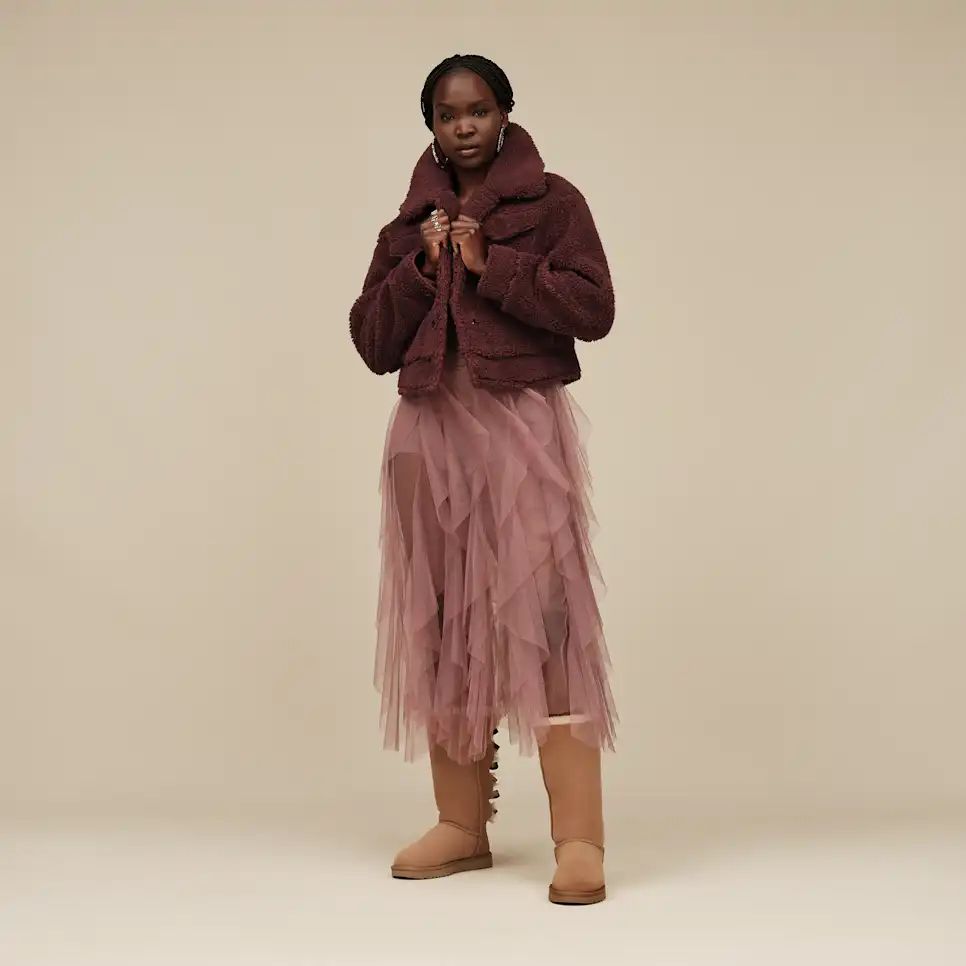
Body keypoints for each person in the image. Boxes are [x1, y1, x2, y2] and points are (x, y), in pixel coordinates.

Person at [348, 53, 619, 905]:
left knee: (549, 615)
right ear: (430, 125)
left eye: (477, 110)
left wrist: (488, 265)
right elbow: (371, 341)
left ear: (505, 113)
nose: (462, 125)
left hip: (520, 430)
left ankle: (579, 840)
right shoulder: (407, 226)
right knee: (441, 618)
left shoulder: (554, 203)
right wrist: (419, 269)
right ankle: (461, 824)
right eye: (445, 113)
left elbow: (594, 309)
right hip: (427, 435)